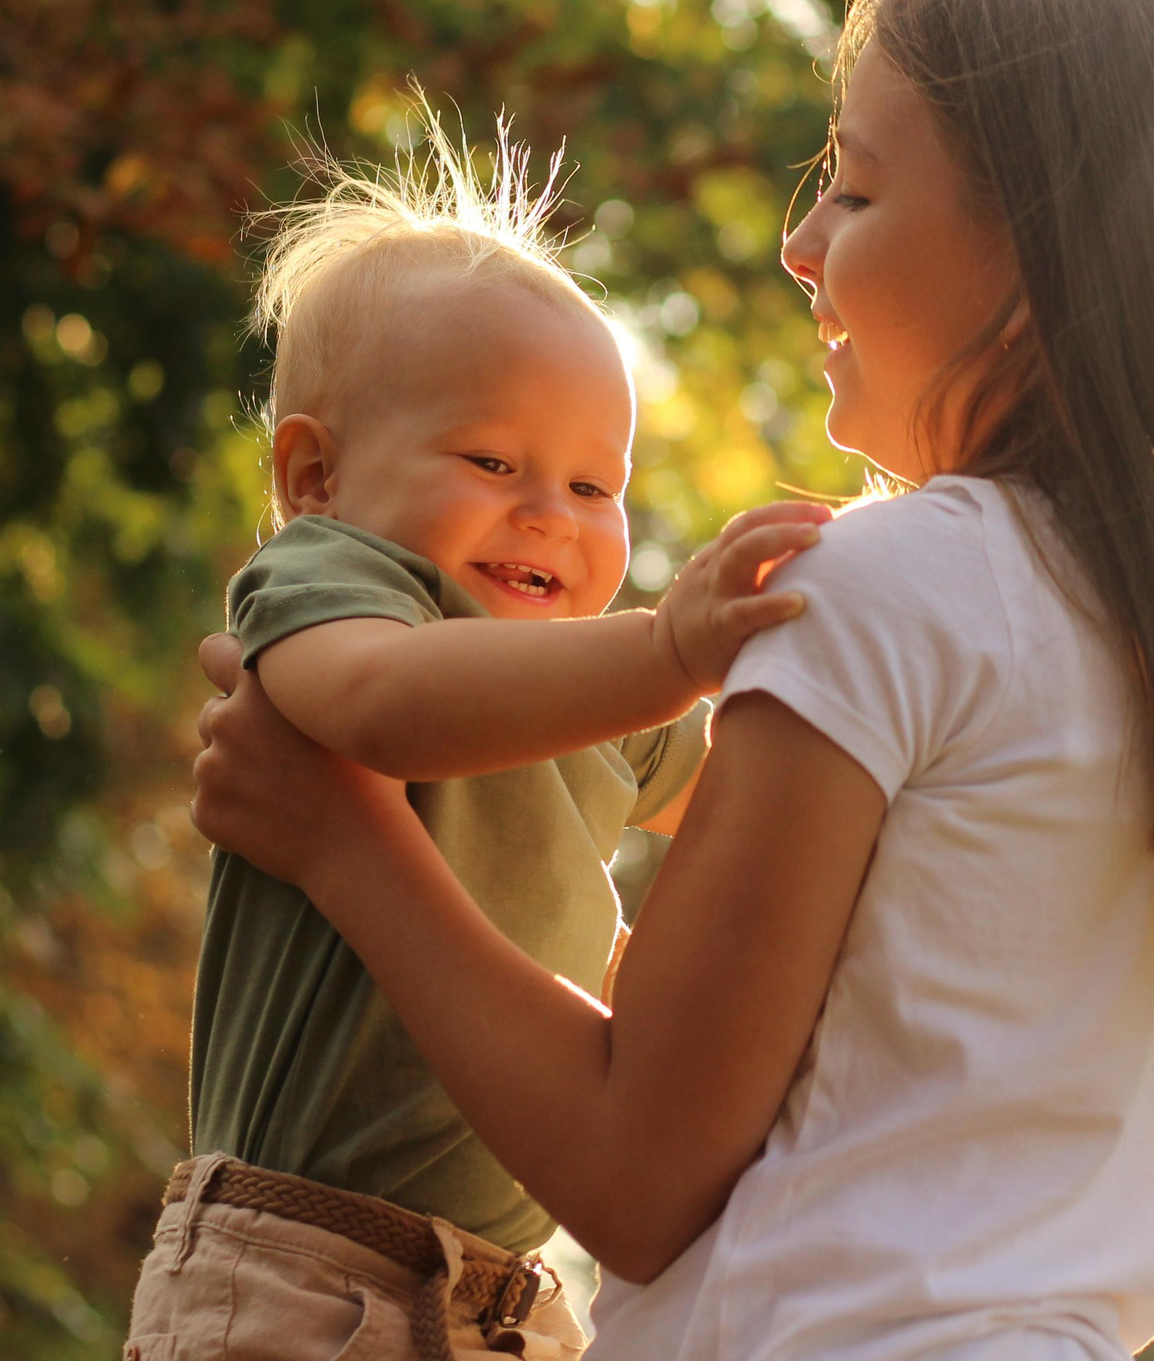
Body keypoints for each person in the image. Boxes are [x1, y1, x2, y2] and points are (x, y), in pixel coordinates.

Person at [190, 0, 1154, 1360]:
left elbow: (634, 1174)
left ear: (1050, 248)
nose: (799, 241)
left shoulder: (878, 588)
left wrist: (342, 838)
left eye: (862, 192)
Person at [124, 117, 827, 1361]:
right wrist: (669, 651)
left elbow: (763, 797)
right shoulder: (335, 587)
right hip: (295, 1268)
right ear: (315, 476)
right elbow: (379, 702)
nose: (550, 518)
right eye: (494, 460)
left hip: (502, 1300)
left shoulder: (592, 696)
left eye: (594, 487)